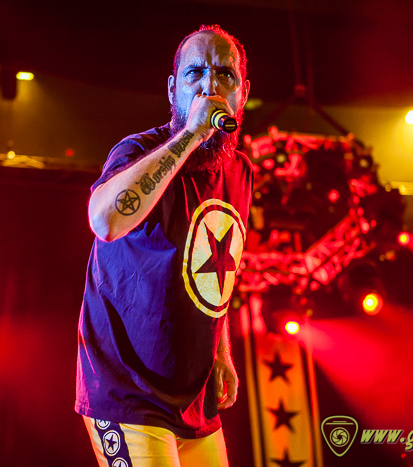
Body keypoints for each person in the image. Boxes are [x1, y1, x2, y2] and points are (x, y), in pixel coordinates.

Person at [75, 25, 252, 467]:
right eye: (195, 73)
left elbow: (220, 270)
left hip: (193, 400)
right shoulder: (138, 151)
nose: (210, 86)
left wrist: (222, 351)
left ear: (242, 94)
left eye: (224, 75)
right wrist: (190, 135)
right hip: (128, 394)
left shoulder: (240, 172)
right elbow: (104, 221)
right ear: (174, 89)